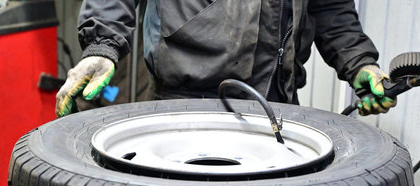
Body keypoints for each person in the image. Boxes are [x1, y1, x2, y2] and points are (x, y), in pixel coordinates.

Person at [56, 0, 396, 117]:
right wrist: (103, 45)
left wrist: (358, 61)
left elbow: (331, 7)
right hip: (185, 101)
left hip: (278, 103)